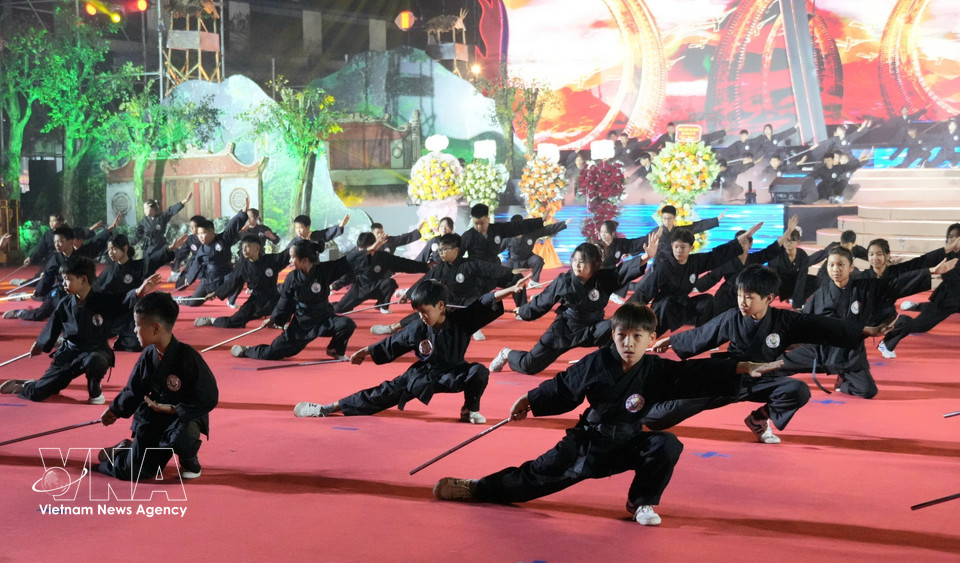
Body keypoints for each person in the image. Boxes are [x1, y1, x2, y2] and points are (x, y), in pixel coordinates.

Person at [432, 302, 784, 525]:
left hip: (628, 441)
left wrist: (739, 367)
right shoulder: (597, 362)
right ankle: (477, 487)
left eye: (637, 337)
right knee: (533, 479)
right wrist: (531, 399)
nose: (628, 343)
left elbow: (693, 374)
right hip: (588, 444)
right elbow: (565, 387)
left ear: (652, 338)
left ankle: (641, 503)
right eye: (621, 336)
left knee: (665, 445)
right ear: (612, 336)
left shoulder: (656, 370)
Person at [649, 265, 891, 444]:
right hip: (728, 376)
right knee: (659, 418)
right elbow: (703, 334)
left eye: (749, 297)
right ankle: (633, 413)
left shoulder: (785, 320)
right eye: (740, 295)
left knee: (797, 390)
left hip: (764, 380)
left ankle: (758, 418)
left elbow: (822, 325)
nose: (742, 302)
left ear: (769, 299)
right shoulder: (733, 317)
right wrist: (672, 340)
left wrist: (866, 330)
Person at [293, 276, 530, 424]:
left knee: (478, 372)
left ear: (440, 306)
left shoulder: (461, 320)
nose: (421, 316)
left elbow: (484, 302)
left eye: (424, 311)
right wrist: (367, 351)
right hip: (423, 375)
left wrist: (510, 290)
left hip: (455, 373)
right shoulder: (418, 327)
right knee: (381, 393)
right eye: (418, 312)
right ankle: (327, 408)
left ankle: (469, 410)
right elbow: (392, 344)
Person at [782, 246, 955, 397]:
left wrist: (931, 271)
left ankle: (843, 382)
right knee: (775, 367)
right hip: (821, 352)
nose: (836, 269)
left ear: (851, 267)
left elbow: (895, 284)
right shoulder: (821, 294)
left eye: (841, 265)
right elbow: (803, 321)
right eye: (831, 265)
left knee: (868, 391)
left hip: (849, 355)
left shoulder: (865, 288)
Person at [0, 257, 161, 404]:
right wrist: (40, 344)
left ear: (83, 279)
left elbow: (123, 302)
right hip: (70, 353)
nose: (63, 283)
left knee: (95, 360)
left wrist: (138, 292)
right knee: (39, 393)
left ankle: (95, 389)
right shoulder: (64, 304)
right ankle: (30, 385)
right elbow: (53, 328)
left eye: (68, 279)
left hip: (96, 350)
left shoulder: (102, 300)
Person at [490, 236, 657, 376]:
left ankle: (616, 369)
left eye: (583, 262)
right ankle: (507, 354)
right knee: (529, 366)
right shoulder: (564, 281)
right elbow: (542, 302)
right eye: (575, 260)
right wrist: (523, 311)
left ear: (595, 265)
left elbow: (623, 271)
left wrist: (646, 257)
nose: (577, 265)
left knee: (614, 327)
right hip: (565, 329)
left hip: (593, 328)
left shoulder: (604, 278)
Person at [97, 291, 218, 482]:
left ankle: (189, 460)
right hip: (155, 416)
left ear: (155, 328)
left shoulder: (188, 357)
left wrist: (174, 409)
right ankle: (124, 450)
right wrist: (115, 410)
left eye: (137, 326)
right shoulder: (148, 356)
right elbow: (134, 390)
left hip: (184, 416)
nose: (134, 331)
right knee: (136, 472)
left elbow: (209, 397)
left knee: (181, 437)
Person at [371, 233, 524, 336]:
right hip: (447, 303)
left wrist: (511, 271)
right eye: (440, 250)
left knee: (477, 308)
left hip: (467, 301)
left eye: (444, 250)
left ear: (456, 250)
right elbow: (423, 281)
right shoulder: (439, 268)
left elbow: (491, 269)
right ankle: (393, 328)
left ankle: (473, 327)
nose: (441, 253)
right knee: (424, 313)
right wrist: (408, 294)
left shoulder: (470, 264)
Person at [231, 240, 356, 361]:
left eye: (292, 258)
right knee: (273, 352)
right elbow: (285, 302)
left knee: (346, 324)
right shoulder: (292, 278)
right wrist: (275, 319)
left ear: (304, 260)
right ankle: (247, 350)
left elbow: (344, 262)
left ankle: (334, 349)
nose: (289, 261)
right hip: (302, 323)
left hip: (324, 318)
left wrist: (366, 253)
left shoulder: (323, 271)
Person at [630, 224, 761, 335]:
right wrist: (629, 313)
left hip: (683, 304)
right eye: (676, 247)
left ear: (691, 248)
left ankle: (702, 334)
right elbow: (645, 291)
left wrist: (744, 236)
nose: (678, 251)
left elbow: (717, 255)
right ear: (672, 246)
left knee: (708, 300)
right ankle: (649, 334)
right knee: (667, 304)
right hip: (663, 307)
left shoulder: (696, 261)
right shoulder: (664, 266)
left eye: (683, 247)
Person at [4, 220, 116, 322]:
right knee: (42, 314)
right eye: (55, 242)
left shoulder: (81, 255)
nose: (57, 245)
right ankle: (20, 312)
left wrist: (107, 231)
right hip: (61, 292)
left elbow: (95, 242)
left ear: (71, 241)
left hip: (80, 293)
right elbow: (48, 278)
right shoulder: (55, 259)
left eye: (61, 242)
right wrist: (39, 290)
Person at [879, 223, 960, 358]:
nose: (955, 240)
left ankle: (918, 306)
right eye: (951, 237)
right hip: (947, 300)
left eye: (958, 236)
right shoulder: (946, 256)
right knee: (920, 326)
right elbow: (925, 265)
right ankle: (892, 335)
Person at [96, 231, 188, 351]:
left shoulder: (137, 267)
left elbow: (153, 260)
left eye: (114, 249)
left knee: (139, 344)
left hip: (131, 314)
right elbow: (96, 292)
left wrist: (170, 248)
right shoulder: (108, 271)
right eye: (109, 250)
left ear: (125, 248)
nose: (111, 253)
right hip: (112, 313)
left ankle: (122, 339)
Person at [694, 215, 800, 317]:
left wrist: (789, 231)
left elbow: (771, 249)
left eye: (744, 242)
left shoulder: (754, 259)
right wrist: (692, 285)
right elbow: (713, 276)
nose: (741, 246)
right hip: (727, 298)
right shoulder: (727, 261)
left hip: (749, 298)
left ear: (750, 244)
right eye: (739, 243)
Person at [194, 234, 290, 329]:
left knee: (289, 304)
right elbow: (232, 282)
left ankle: (277, 322)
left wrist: (302, 242)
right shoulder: (242, 266)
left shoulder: (271, 260)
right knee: (232, 323)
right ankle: (212, 320)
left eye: (247, 247)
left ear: (257, 248)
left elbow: (288, 254)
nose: (244, 250)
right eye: (242, 247)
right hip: (256, 300)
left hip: (273, 298)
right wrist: (215, 293)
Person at [332, 232, 431, 314]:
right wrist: (335, 286)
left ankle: (382, 305)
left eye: (366, 248)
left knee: (390, 283)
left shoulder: (384, 257)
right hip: (360, 287)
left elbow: (405, 264)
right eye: (361, 249)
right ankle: (327, 307)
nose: (363, 251)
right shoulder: (356, 257)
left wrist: (426, 267)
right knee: (339, 309)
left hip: (378, 287)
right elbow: (348, 275)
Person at [177, 204, 248, 307]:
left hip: (226, 274)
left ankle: (231, 300)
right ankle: (181, 300)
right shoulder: (202, 250)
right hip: (210, 278)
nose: (200, 237)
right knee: (194, 303)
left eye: (203, 233)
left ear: (212, 233)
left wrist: (242, 213)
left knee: (238, 277)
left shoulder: (223, 239)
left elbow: (231, 226)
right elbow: (196, 264)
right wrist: (189, 277)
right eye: (198, 234)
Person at [501, 215, 569, 306]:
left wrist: (563, 224)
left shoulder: (531, 232)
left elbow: (547, 230)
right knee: (511, 276)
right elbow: (496, 249)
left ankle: (533, 281)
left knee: (538, 260)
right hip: (514, 261)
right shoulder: (507, 237)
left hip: (528, 258)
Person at [460, 204, 544, 265]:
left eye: (482, 223)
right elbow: (456, 256)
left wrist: (540, 221)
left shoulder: (496, 229)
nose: (479, 227)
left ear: (488, 220)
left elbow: (517, 227)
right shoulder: (468, 236)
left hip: (495, 268)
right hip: (476, 270)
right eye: (476, 223)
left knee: (517, 281)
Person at [766, 228, 817, 308]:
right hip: (780, 283)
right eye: (786, 240)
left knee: (816, 281)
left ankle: (795, 299)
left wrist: (797, 302)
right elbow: (773, 276)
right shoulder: (777, 255)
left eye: (792, 240)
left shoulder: (802, 255)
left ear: (798, 242)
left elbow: (802, 277)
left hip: (795, 281)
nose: (788, 243)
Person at [22, 214, 98, 267]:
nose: (51, 223)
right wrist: (31, 258)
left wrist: (91, 229)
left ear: (61, 222)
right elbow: (40, 248)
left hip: (67, 258)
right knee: (40, 278)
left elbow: (80, 235)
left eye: (54, 221)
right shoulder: (48, 234)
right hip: (53, 259)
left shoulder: (67, 231)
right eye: (50, 221)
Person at [133, 192, 192, 260]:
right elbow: (137, 235)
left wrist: (185, 201)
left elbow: (171, 211)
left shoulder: (161, 217)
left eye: (147, 208)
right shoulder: (143, 221)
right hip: (149, 247)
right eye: (144, 209)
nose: (145, 211)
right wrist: (128, 244)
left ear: (153, 208)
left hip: (160, 245)